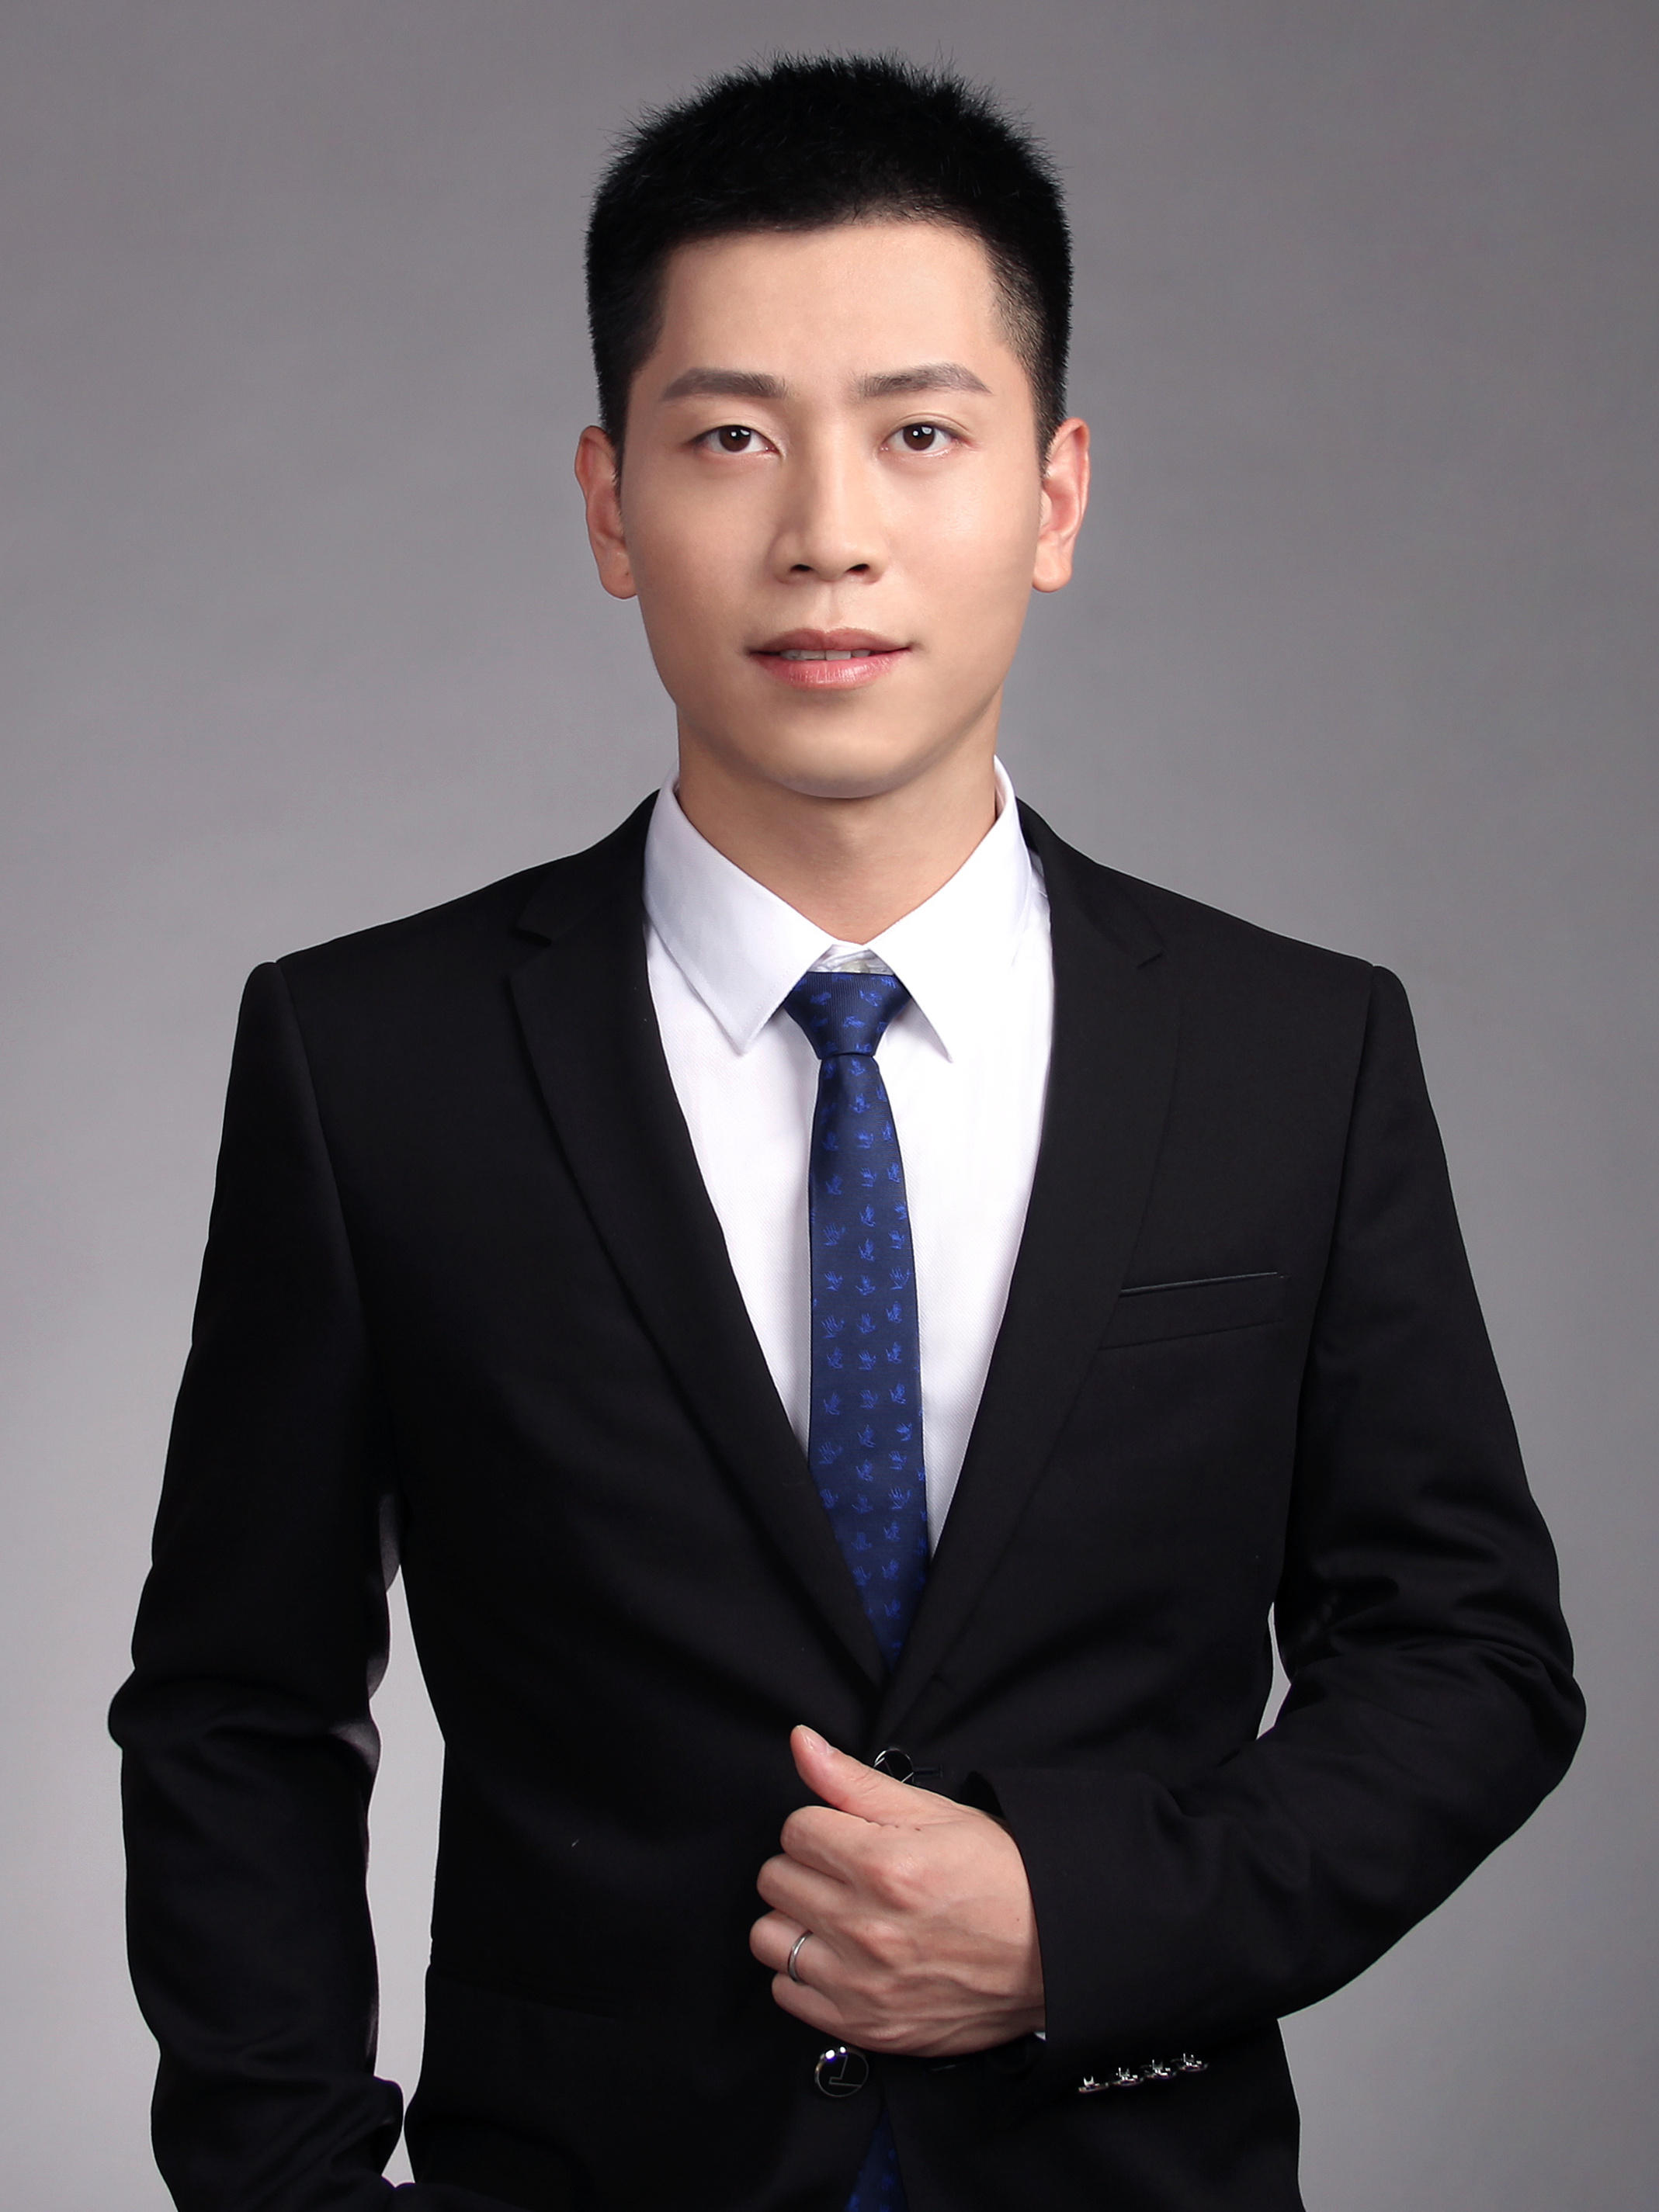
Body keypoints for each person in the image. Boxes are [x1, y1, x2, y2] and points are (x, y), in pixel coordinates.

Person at [110, 54, 1583, 2212]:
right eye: (730, 438)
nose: (827, 533)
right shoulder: (373, 1061)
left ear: (1056, 497)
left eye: (919, 433)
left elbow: (1467, 1661)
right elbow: (235, 1709)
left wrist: (1084, 1925)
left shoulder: (1295, 1051)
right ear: (609, 504)